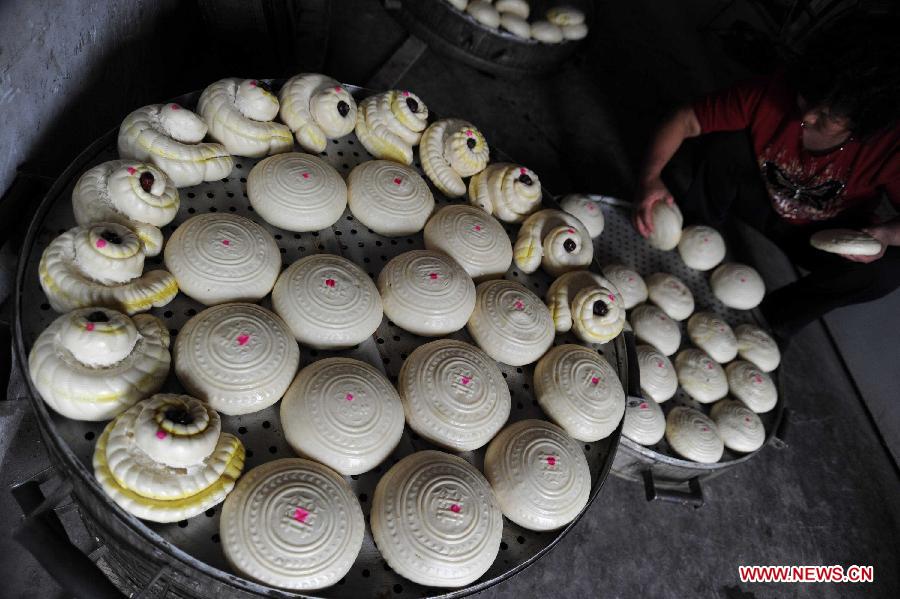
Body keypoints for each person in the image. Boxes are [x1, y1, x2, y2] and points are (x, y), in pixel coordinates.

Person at [632, 15, 900, 341]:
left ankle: (770, 326)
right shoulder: (773, 94)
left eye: (829, 117)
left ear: (861, 122)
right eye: (808, 98)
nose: (809, 115)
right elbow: (686, 119)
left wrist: (884, 234)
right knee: (727, 144)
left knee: (887, 270)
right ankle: (692, 238)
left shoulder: (888, 148)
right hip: (759, 197)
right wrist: (651, 178)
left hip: (824, 235)